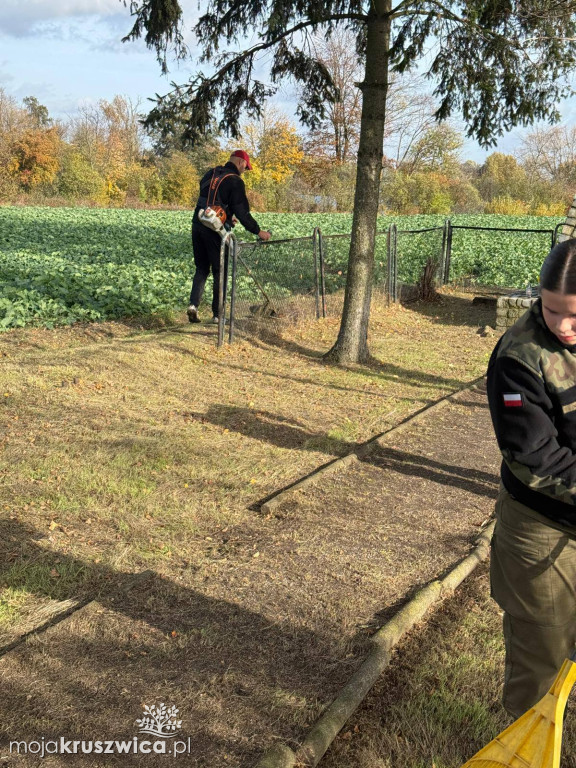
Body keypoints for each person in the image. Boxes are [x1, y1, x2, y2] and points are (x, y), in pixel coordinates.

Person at [487, 237, 576, 719]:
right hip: (542, 527)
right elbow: (537, 457)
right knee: (542, 664)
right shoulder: (519, 358)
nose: (562, 326)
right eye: (550, 309)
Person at [187, 150, 271, 324]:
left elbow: (209, 197)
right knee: (220, 271)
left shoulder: (211, 173)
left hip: (197, 224)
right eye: (245, 168)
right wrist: (258, 231)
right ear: (240, 162)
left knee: (202, 268)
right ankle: (218, 315)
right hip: (214, 231)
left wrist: (226, 214)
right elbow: (242, 212)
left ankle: (193, 305)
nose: (244, 171)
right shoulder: (235, 181)